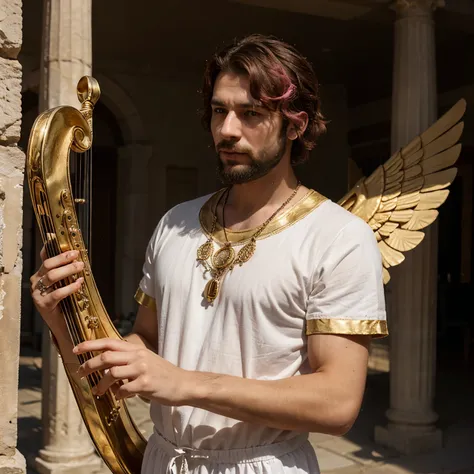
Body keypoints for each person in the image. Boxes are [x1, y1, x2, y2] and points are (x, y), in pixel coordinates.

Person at [31, 34, 388, 474]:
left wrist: (185, 384)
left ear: (296, 124)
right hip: (163, 460)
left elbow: (337, 403)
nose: (227, 130)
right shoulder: (174, 223)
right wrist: (64, 324)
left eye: (251, 113)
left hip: (265, 464)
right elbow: (147, 345)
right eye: (220, 110)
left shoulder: (339, 237)